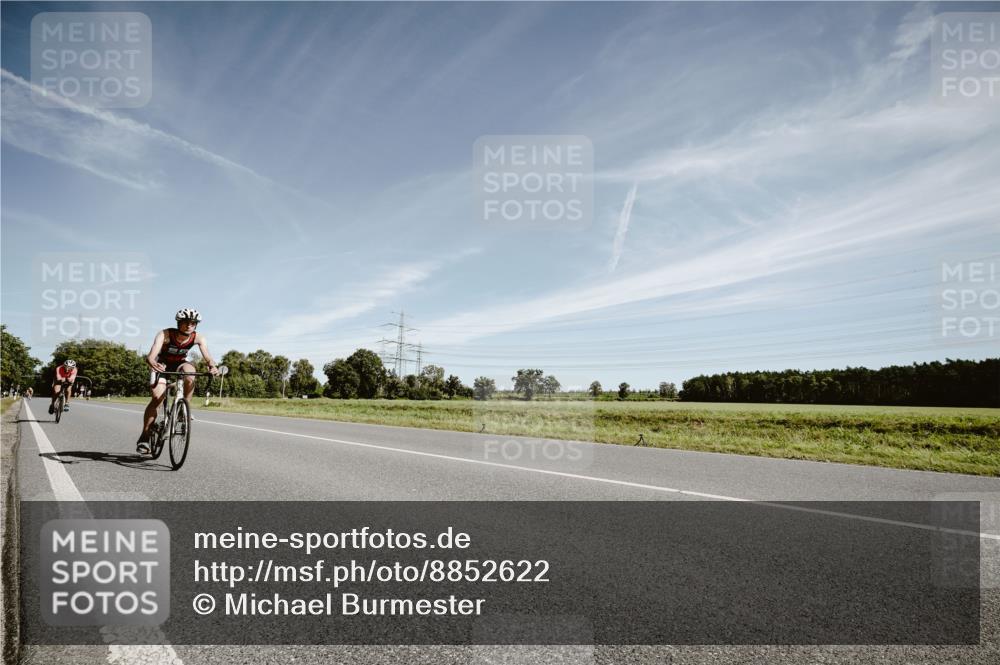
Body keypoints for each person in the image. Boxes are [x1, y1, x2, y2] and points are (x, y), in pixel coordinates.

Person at [136, 308, 219, 454]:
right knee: (157, 398)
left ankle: (183, 410)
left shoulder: (198, 338)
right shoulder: (165, 334)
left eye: (193, 323)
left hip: (180, 363)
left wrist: (212, 366)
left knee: (190, 371)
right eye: (186, 322)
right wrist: (151, 362)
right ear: (178, 322)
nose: (189, 326)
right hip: (162, 365)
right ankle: (145, 436)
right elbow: (152, 354)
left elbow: (208, 356)